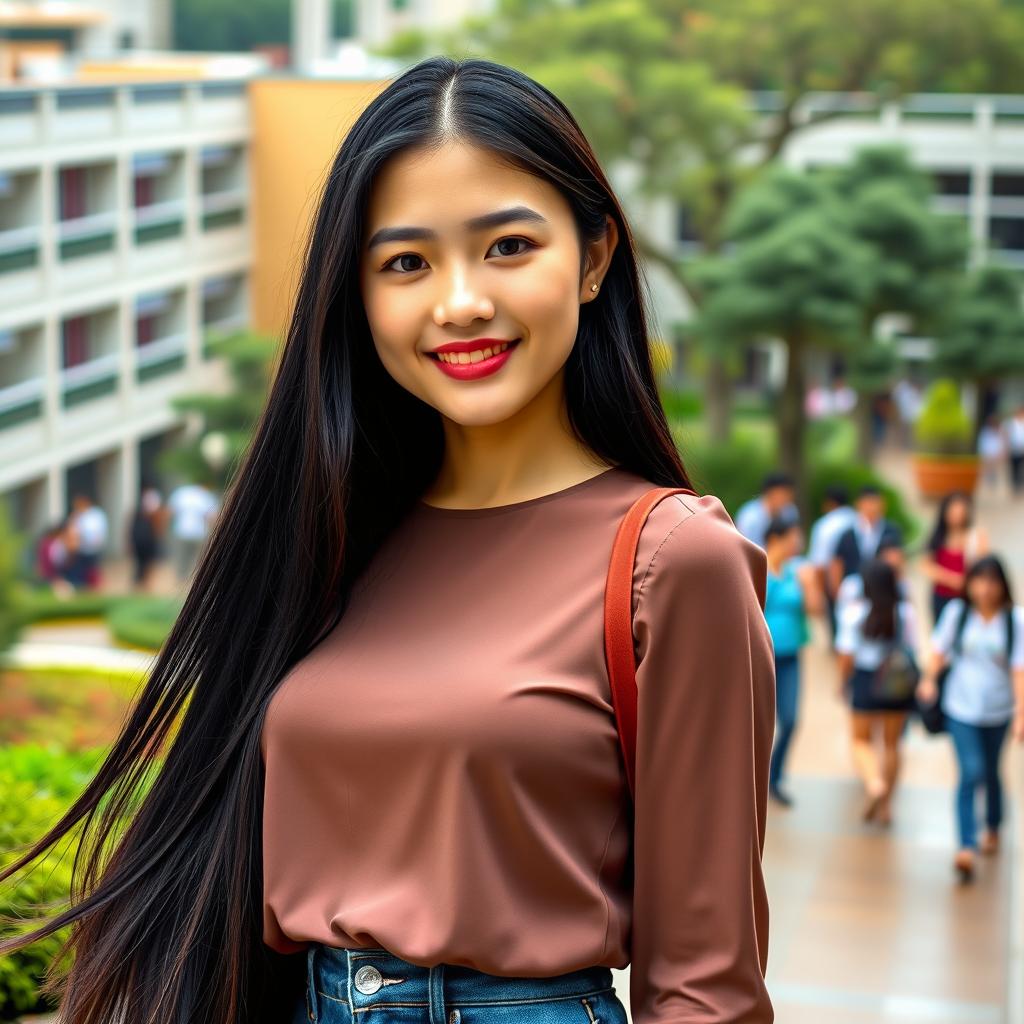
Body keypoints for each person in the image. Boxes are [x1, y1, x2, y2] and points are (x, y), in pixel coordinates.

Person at [0, 57, 777, 1024]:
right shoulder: (330, 535)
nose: (459, 302)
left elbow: (706, 988)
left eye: (507, 247)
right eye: (406, 262)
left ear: (592, 257)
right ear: (358, 295)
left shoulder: (671, 564)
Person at [916, 556, 1024, 883]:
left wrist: (1020, 712)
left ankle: (992, 823)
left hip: (998, 711)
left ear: (1002, 585)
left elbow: (1018, 669)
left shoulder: (1013, 620)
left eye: (992, 581)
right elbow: (939, 650)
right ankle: (966, 845)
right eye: (979, 580)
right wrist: (929, 679)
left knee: (991, 771)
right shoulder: (957, 614)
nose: (985, 589)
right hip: (960, 708)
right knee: (971, 771)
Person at [835, 558, 920, 826]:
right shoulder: (905, 612)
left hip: (865, 679)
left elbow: (846, 655)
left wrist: (842, 681)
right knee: (892, 744)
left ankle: (873, 783)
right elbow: (913, 649)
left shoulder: (854, 612)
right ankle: (886, 808)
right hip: (896, 681)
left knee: (861, 741)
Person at [764, 515, 823, 807]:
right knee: (758, 723)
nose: (797, 544)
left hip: (791, 656)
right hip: (763, 656)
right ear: (776, 539)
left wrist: (810, 585)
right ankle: (755, 779)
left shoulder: (798, 570)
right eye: (792, 538)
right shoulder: (758, 564)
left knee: (790, 719)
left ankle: (774, 777)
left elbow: (815, 609)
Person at [919, 490, 989, 627]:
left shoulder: (976, 536)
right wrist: (951, 579)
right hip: (941, 596)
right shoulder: (938, 536)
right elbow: (925, 564)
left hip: (967, 596)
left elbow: (983, 564)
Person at [829, 484, 902, 596]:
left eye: (875, 502)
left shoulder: (891, 531)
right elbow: (837, 564)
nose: (871, 507)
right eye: (868, 502)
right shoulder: (848, 534)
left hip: (882, 589)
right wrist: (838, 593)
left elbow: (897, 563)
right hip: (854, 589)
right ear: (859, 504)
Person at [807, 484, 857, 642]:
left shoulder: (824, 526)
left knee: (838, 627)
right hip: (859, 578)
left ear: (829, 503)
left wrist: (821, 591)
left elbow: (819, 564)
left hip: (834, 580)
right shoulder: (857, 519)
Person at [166, 476, 219, 582]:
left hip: (181, 531)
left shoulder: (182, 493)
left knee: (181, 557)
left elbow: (170, 512)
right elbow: (212, 517)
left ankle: (180, 579)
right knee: (197, 558)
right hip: (199, 532)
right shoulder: (206, 496)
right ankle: (194, 580)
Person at [735, 471, 798, 549]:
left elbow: (796, 544)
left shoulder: (790, 511)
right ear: (770, 493)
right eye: (785, 494)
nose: (789, 499)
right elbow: (743, 548)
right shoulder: (750, 517)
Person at [128, 485, 165, 591]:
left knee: (148, 563)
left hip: (148, 541)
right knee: (140, 563)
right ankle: (139, 583)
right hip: (140, 542)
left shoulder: (151, 517)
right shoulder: (138, 514)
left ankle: (146, 583)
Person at [69, 492, 108, 590]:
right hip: (80, 550)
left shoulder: (96, 514)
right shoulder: (77, 515)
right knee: (81, 575)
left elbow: (99, 533)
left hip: (93, 550)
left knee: (93, 574)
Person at [977, 414, 1007, 492]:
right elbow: (982, 442)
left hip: (995, 453)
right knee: (988, 469)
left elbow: (1002, 442)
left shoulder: (999, 431)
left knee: (994, 469)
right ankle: (989, 482)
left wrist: (1002, 452)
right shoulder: (985, 431)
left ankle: (993, 482)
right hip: (988, 453)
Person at [1006, 405, 1024, 494]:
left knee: (1021, 469)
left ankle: (1020, 486)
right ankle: (1015, 487)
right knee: (1014, 469)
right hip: (1014, 449)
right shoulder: (1011, 423)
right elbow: (1006, 435)